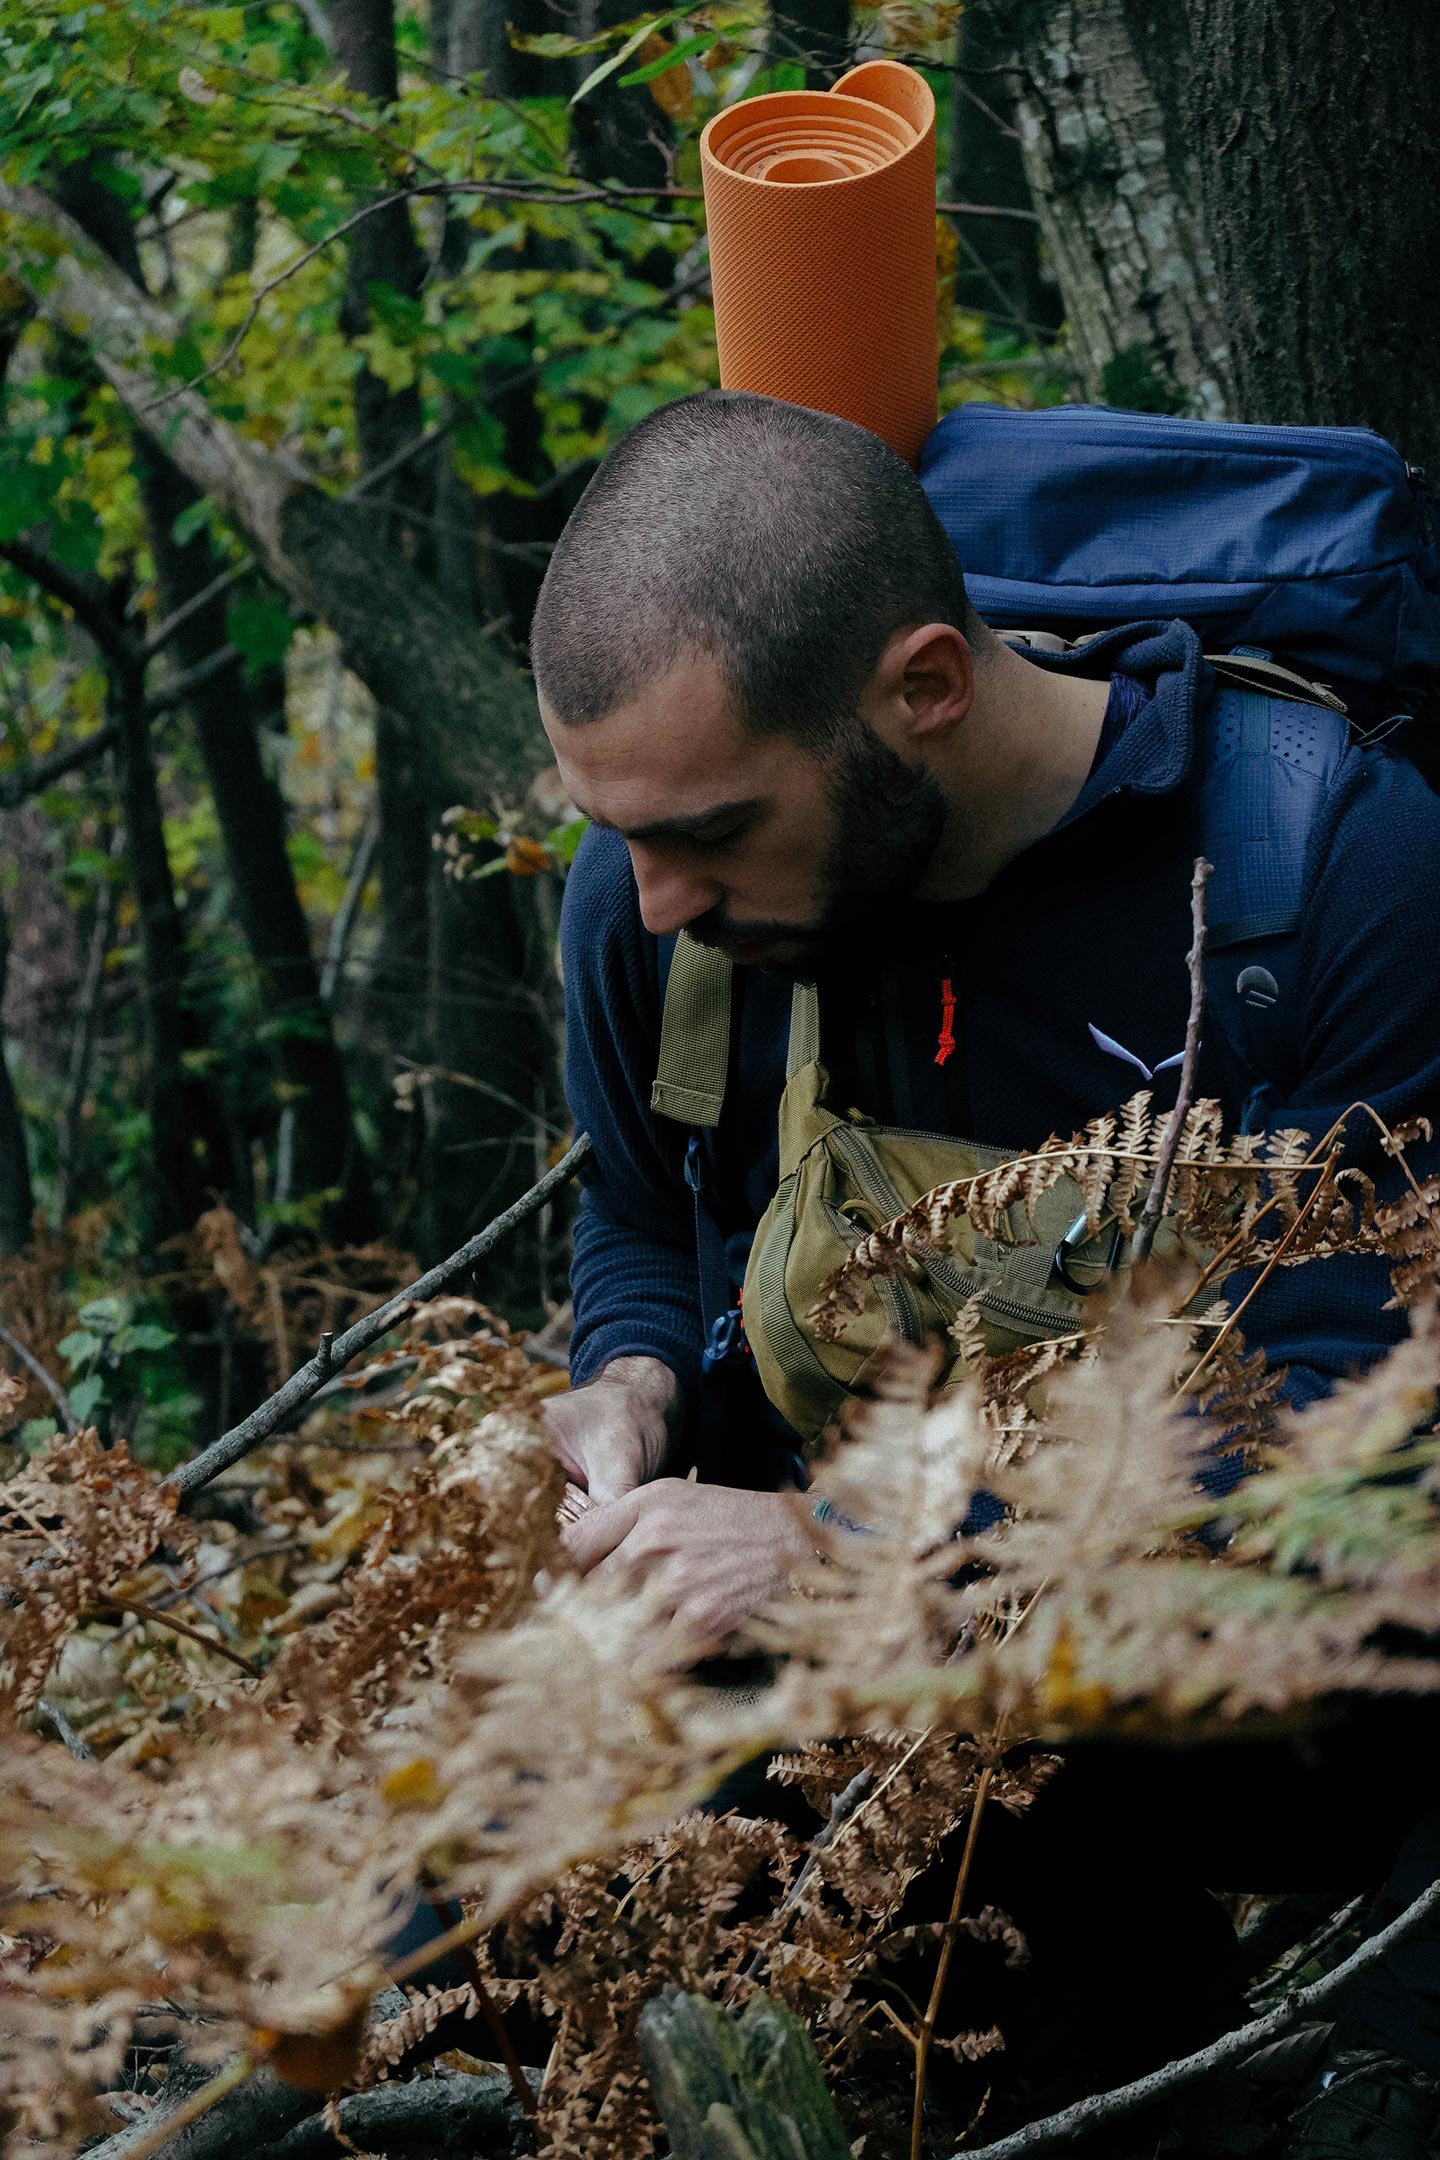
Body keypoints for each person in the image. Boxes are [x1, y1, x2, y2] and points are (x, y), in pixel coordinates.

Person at [531, 389, 1440, 2152]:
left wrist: (834, 1552)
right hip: (942, 1769)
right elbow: (643, 1215)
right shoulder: (667, 902)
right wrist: (632, 1375)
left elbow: (1362, 1460)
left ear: (924, 690)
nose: (647, 901)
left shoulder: (1326, 875)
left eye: (709, 832)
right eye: (617, 834)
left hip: (1326, 1727)